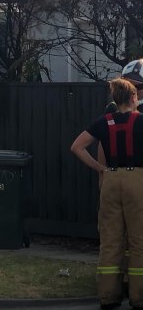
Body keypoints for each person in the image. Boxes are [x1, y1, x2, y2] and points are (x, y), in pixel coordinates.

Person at [71, 77, 143, 310]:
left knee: (111, 239)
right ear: (134, 98)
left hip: (110, 179)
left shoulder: (104, 121)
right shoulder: (141, 121)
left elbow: (77, 147)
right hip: (137, 180)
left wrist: (100, 168)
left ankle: (109, 296)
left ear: (115, 99)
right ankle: (138, 297)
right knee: (138, 240)